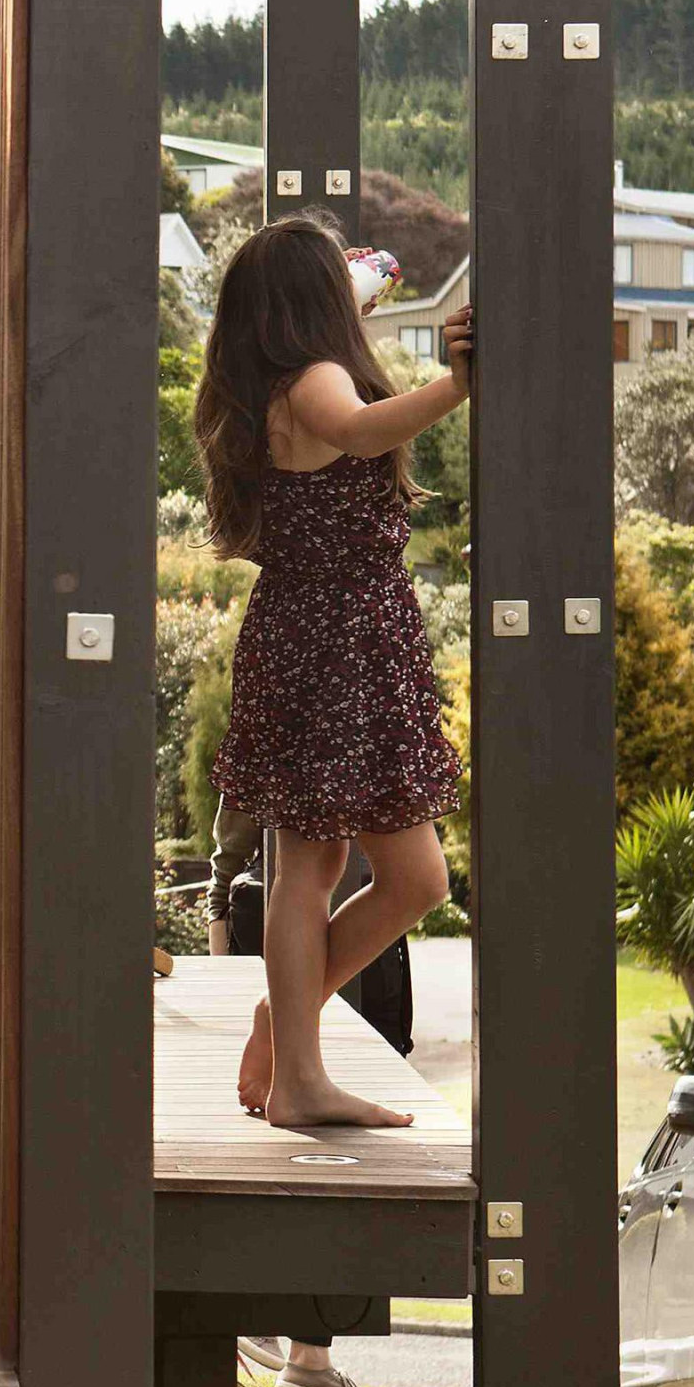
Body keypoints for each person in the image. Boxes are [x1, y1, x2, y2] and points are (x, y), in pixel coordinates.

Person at [196, 218, 468, 1132]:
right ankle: (298, 1064)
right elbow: (359, 429)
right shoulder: (316, 383)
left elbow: (371, 274)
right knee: (387, 875)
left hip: (313, 634)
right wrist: (455, 387)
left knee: (329, 868)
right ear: (312, 304)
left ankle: (290, 1017)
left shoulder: (266, 379)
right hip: (340, 642)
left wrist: (364, 273)